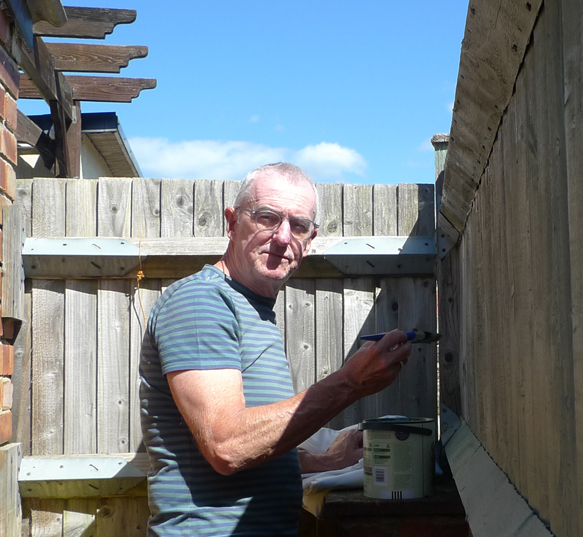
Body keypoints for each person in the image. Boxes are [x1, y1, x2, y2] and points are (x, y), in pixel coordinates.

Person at [139, 163, 412, 536]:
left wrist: (324, 461)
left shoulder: (253, 311)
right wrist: (350, 382)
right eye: (267, 218)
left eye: (298, 226)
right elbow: (228, 445)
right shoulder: (202, 301)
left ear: (311, 239)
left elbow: (257, 446)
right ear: (232, 222)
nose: (283, 237)